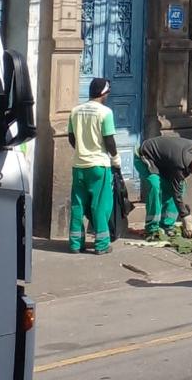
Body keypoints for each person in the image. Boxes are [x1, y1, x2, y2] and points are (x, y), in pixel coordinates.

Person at [68, 77, 120, 255]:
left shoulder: (75, 111)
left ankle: (75, 244)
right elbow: (109, 140)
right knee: (100, 205)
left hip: (79, 166)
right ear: (103, 93)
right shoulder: (105, 112)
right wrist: (115, 158)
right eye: (108, 93)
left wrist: (82, 150)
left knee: (78, 205)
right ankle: (102, 244)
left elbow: (71, 138)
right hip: (99, 166)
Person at [134, 135, 192, 240]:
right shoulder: (179, 162)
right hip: (145, 156)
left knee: (178, 187)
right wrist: (186, 217)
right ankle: (151, 229)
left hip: (163, 162)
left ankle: (167, 225)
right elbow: (176, 192)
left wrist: (185, 214)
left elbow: (177, 187)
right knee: (155, 186)